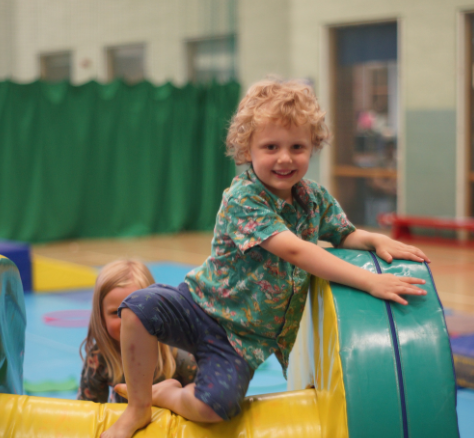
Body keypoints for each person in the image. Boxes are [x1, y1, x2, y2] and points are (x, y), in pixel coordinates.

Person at [101, 79, 429, 438]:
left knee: (214, 410)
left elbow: (343, 232)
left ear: (313, 147)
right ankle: (137, 408)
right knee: (137, 306)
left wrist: (374, 239)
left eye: (297, 147)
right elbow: (295, 250)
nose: (285, 158)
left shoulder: (314, 199)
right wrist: (370, 280)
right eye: (271, 146)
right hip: (199, 307)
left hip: (241, 341)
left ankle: (170, 393)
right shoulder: (244, 197)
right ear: (247, 149)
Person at [78, 260, 197, 403]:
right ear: (101, 317)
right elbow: (87, 410)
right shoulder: (100, 357)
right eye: (116, 313)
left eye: (136, 310)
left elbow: (210, 399)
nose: (127, 322)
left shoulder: (179, 352)